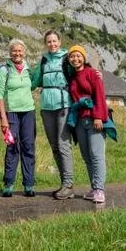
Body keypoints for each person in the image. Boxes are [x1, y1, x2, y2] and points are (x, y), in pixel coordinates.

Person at [31, 29, 74, 199]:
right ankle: (65, 185)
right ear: (46, 43)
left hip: (63, 105)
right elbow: (34, 81)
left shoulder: (66, 58)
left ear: (60, 41)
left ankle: (68, 184)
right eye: (49, 41)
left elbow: (79, 73)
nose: (52, 44)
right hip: (46, 107)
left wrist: (94, 74)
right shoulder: (44, 60)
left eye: (54, 41)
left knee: (63, 145)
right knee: (55, 147)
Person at [66, 45, 108, 204]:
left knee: (96, 155)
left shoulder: (92, 73)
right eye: (72, 56)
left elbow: (99, 95)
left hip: (93, 119)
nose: (75, 59)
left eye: (78, 56)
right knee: (87, 156)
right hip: (79, 121)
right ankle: (94, 188)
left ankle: (99, 190)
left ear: (84, 58)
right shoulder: (72, 77)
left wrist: (98, 117)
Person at [0, 39, 37, 197]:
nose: (17, 53)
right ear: (10, 52)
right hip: (11, 113)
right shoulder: (4, 70)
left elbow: (36, 82)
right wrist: (3, 118)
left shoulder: (28, 70)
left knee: (28, 147)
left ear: (24, 52)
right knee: (12, 147)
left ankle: (29, 184)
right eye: (14, 50)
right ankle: (9, 184)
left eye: (20, 50)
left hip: (28, 112)